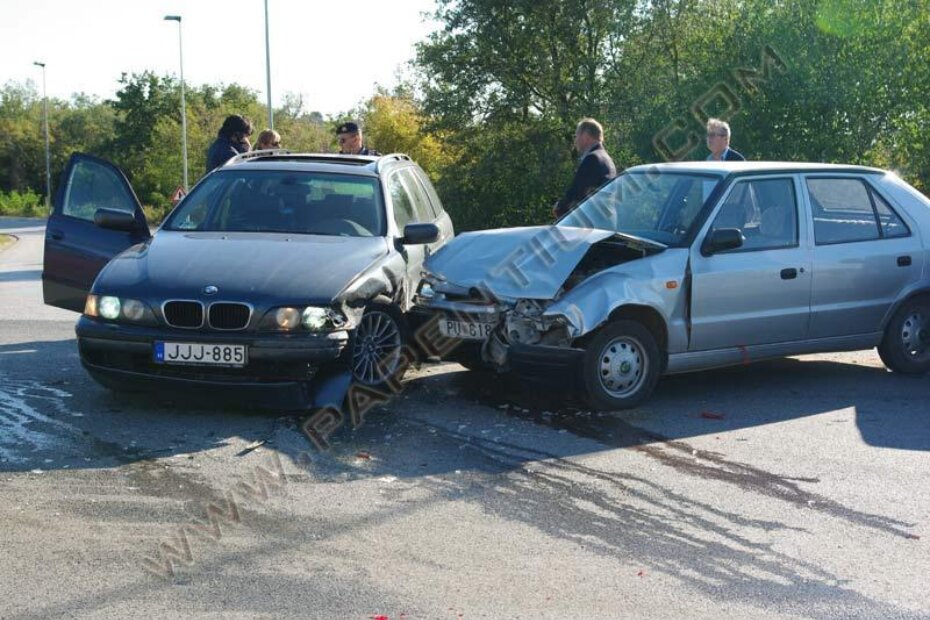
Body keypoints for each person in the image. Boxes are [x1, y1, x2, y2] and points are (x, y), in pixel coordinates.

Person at [553, 118, 617, 218]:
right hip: (606, 222)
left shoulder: (592, 159)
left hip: (592, 225)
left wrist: (560, 207)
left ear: (586, 136)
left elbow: (578, 192)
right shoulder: (607, 159)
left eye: (577, 135)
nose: (575, 140)